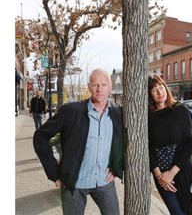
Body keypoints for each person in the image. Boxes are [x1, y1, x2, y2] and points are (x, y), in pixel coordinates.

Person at [33, 68, 125, 215]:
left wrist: (117, 167)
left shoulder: (118, 113)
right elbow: (40, 136)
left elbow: (125, 142)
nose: (99, 89)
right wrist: (54, 172)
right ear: (89, 87)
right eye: (95, 85)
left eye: (104, 84)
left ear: (110, 87)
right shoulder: (71, 111)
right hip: (75, 184)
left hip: (104, 182)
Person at [148, 75, 192, 215]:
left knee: (185, 207)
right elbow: (147, 149)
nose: (160, 92)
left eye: (161, 87)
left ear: (166, 88)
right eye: (154, 90)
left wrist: (171, 174)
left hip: (181, 169)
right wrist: (160, 176)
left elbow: (190, 144)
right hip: (160, 173)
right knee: (176, 211)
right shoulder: (148, 117)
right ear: (150, 95)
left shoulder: (181, 111)